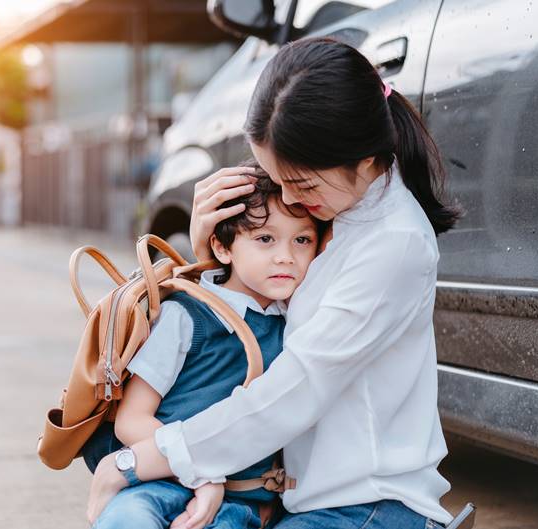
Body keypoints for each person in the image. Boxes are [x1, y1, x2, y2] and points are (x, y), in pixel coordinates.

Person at [87, 37, 461, 529]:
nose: (289, 199)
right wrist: (212, 253)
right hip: (309, 501)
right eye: (273, 177)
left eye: (302, 184)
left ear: (367, 159)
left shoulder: (393, 244)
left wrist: (135, 462)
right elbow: (258, 327)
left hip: (368, 506)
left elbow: (293, 392)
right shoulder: (339, 215)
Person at [90, 170, 319, 529]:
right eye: (265, 239)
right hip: (157, 483)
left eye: (302, 240)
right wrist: (197, 473)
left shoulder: (297, 323)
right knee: (127, 520)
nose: (285, 257)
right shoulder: (188, 315)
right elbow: (131, 419)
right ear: (222, 247)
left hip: (242, 502)